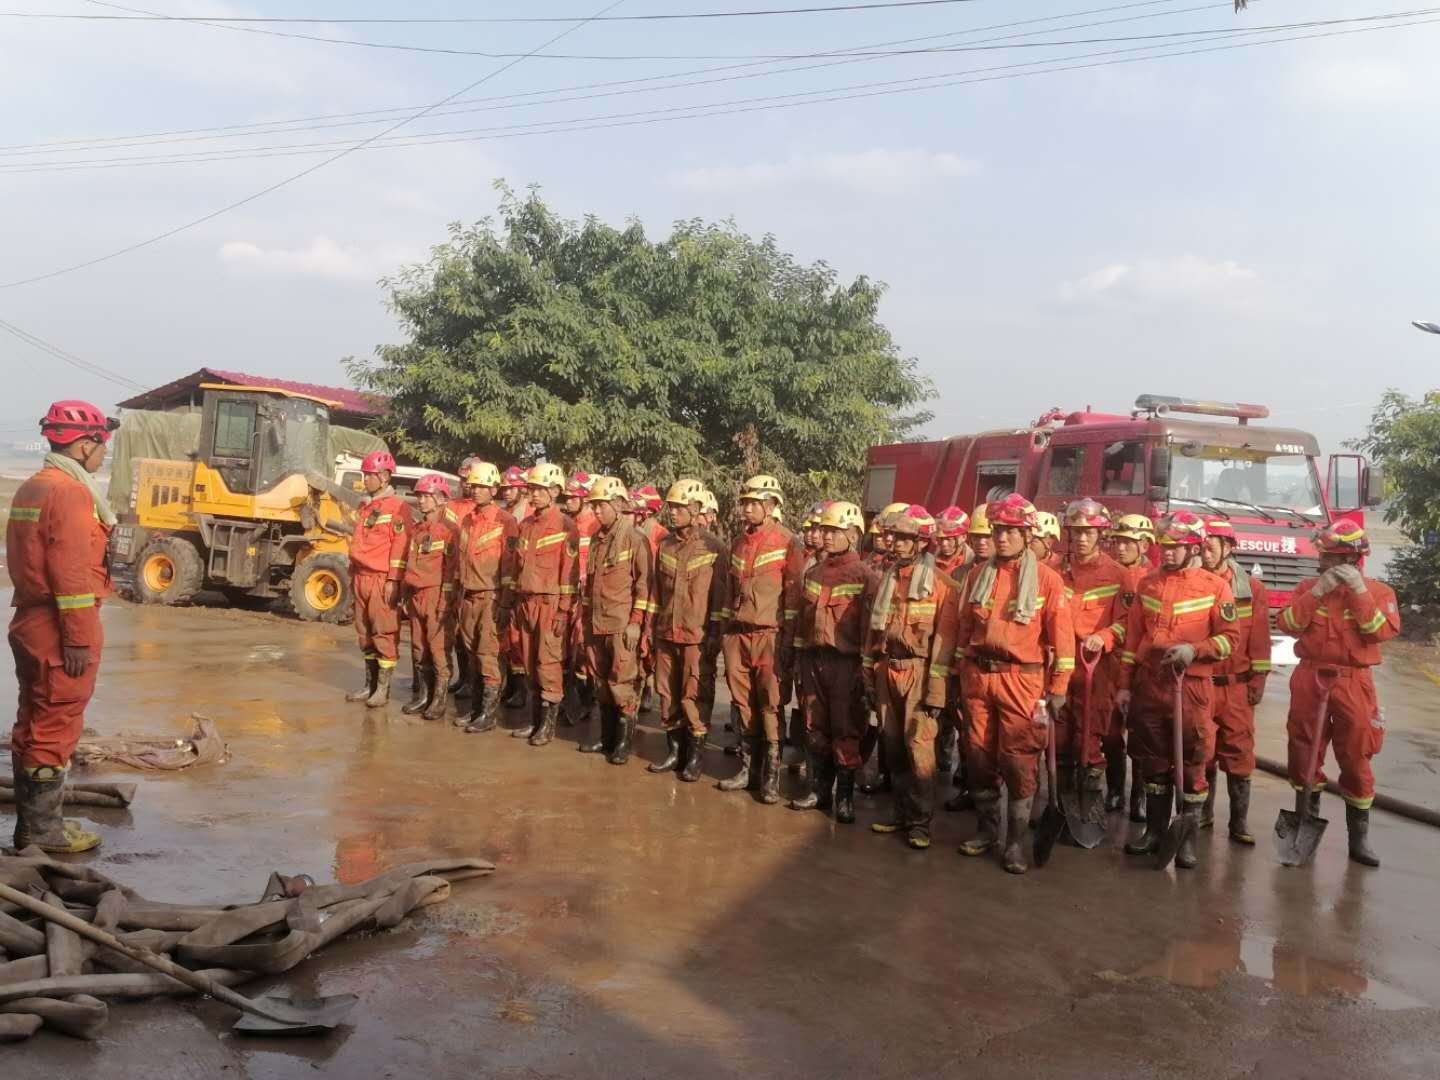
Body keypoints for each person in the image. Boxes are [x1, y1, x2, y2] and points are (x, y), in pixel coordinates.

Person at [936, 494, 1074, 874]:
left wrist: (1058, 689)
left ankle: (1014, 843)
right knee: (978, 757)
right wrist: (955, 673)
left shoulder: (1048, 580)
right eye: (998, 530)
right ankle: (986, 831)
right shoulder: (979, 575)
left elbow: (1063, 641)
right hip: (978, 677)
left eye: (1011, 531)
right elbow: (963, 628)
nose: (1002, 538)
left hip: (1023, 681)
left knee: (1018, 762)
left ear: (1028, 535)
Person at [7, 400, 119, 853]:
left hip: (30, 620)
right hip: (60, 628)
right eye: (101, 445)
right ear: (83, 443)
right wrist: (77, 638)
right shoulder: (71, 493)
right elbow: (70, 572)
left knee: (32, 721)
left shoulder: (34, 486)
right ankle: (43, 833)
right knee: (55, 725)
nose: (103, 454)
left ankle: (31, 829)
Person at [1115, 512, 1239, 871]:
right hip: (1150, 684)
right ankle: (1154, 833)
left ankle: (1186, 842)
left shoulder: (1215, 587)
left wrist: (1195, 650)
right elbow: (1133, 639)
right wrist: (1124, 686)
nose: (1168, 553)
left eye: (1177, 547)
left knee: (1193, 763)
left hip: (1192, 686)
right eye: (1165, 546)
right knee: (1152, 763)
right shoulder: (1148, 584)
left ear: (1195, 548)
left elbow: (1231, 640)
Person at [1276, 519, 1399, 867]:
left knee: (1357, 756)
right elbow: (1287, 624)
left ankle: (1358, 840)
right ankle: (1303, 827)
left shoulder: (1378, 592)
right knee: (1302, 752)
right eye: (1323, 556)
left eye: (1330, 557)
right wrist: (1317, 592)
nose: (1322, 563)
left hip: (1354, 681)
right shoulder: (1307, 587)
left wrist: (1358, 591)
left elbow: (1381, 632)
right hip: (1310, 677)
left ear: (1351, 559)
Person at [865, 505, 954, 851]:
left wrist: (936, 693)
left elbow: (944, 646)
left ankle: (919, 823)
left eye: (903, 538)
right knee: (892, 746)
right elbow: (873, 633)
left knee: (919, 749)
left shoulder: (943, 586)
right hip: (889, 667)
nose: (895, 542)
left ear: (920, 542)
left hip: (919, 671)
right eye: (893, 536)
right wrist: (869, 670)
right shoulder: (887, 577)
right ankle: (900, 813)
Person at [718, 474, 805, 804]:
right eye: (745, 503)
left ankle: (770, 777)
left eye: (754, 503)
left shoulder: (787, 542)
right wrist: (726, 629)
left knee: (770, 705)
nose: (747, 509)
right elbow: (729, 590)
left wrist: (788, 643)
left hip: (770, 634)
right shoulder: (739, 542)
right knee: (743, 704)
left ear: (771, 506)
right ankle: (747, 770)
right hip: (738, 635)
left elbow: (794, 599)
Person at [789, 501, 871, 822]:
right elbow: (801, 621)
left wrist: (865, 670)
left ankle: (845, 799)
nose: (825, 536)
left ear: (852, 534)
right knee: (815, 726)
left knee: (846, 728)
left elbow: (869, 629)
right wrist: (797, 658)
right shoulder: (814, 572)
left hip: (845, 664)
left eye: (834, 531)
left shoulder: (865, 576)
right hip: (813, 660)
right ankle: (820, 792)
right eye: (824, 530)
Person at [1199, 517, 1271, 845]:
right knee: (1202, 750)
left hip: (1236, 686)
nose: (1205, 550)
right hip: (1201, 683)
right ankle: (1203, 815)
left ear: (1228, 548)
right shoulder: (1194, 583)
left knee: (1240, 752)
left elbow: (1260, 639)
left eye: (1212, 544)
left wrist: (1259, 680)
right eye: (1202, 545)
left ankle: (1238, 823)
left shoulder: (1251, 589)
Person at [649, 479, 727, 781]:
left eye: (680, 508)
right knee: (666, 693)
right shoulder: (665, 546)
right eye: (672, 507)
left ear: (696, 510)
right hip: (667, 632)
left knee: (694, 695)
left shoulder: (715, 548)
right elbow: (657, 592)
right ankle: (674, 752)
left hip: (696, 636)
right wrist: (651, 629)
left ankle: (694, 757)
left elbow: (720, 600)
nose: (673, 513)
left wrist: (714, 636)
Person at [1057, 499, 1128, 823]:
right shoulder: (1056, 570)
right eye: (1077, 532)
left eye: (1089, 532)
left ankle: (1089, 809)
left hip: (1096, 668)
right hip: (1060, 664)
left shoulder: (1118, 574)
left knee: (1089, 737)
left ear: (1100, 534)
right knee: (1056, 737)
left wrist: (1106, 636)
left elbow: (1128, 622)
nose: (1082, 538)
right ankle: (1061, 806)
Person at [576, 477, 653, 765]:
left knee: (622, 684)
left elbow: (644, 586)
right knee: (601, 684)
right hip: (596, 623)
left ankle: (623, 743)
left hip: (621, 625)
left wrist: (635, 622)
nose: (596, 512)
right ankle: (606, 738)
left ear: (618, 505)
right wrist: (585, 621)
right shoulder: (597, 539)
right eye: (594, 507)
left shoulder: (635, 539)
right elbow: (591, 583)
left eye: (601, 506)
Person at [504, 463, 580, 747]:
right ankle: (534, 720)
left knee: (547, 663)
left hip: (549, 605)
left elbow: (569, 574)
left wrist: (563, 610)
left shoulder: (566, 527)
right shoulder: (525, 525)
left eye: (538, 490)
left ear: (555, 491)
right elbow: (515, 567)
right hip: (525, 603)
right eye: (530, 489)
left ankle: (548, 725)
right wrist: (509, 603)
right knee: (527, 661)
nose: (532, 495)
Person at [452, 461, 518, 734]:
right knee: (471, 654)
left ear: (494, 489)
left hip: (491, 598)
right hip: (468, 596)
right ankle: (476, 709)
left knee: (488, 654)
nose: (475, 490)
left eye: (482, 486)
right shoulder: (468, 519)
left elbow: (510, 566)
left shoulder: (506, 522)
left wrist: (504, 602)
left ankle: (488, 715)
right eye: (474, 485)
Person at [346, 451, 413, 709]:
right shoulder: (367, 506)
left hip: (380, 578)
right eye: (364, 474)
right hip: (361, 576)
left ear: (384, 477)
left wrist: (393, 580)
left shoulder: (398, 507)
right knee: (364, 633)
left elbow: (401, 545)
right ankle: (369, 685)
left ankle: (382, 690)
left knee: (383, 632)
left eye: (369, 475)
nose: (365, 479)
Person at [1105, 514, 1153, 819]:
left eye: (1128, 542)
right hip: (1110, 665)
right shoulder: (1109, 575)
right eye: (1117, 541)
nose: (1120, 548)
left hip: (1140, 667)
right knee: (1110, 734)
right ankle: (1114, 790)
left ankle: (1140, 797)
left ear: (1145, 544)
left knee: (1140, 736)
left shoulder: (1154, 579)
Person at [400, 475, 457, 721]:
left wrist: (445, 602)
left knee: (438, 648)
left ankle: (439, 699)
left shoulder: (450, 532)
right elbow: (408, 564)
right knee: (418, 647)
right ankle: (424, 695)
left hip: (436, 595)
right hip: (416, 594)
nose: (421, 501)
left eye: (426, 496)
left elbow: (452, 570)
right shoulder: (418, 530)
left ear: (441, 499)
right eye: (419, 496)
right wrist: (404, 594)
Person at [931, 506, 974, 813]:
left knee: (966, 716)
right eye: (941, 538)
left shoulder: (970, 567)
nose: (944, 544)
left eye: (951, 539)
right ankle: (942, 756)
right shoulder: (931, 564)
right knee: (940, 706)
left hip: (964, 646)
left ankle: (966, 770)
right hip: (938, 642)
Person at [563, 472, 600, 728]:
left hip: (587, 597)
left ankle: (587, 702)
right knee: (567, 649)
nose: (568, 500)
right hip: (569, 594)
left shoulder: (595, 525)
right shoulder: (568, 523)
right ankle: (573, 701)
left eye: (573, 496)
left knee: (582, 650)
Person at [499, 465, 532, 707]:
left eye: (512, 488)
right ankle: (511, 687)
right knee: (507, 640)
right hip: (509, 582)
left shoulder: (524, 514)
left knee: (518, 640)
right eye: (505, 488)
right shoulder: (508, 512)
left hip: (522, 586)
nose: (507, 492)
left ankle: (521, 691)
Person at [694, 487, 724, 732]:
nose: (700, 518)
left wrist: (715, 631)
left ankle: (700, 735)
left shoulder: (718, 549)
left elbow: (721, 596)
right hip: (679, 628)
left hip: (704, 629)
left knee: (702, 682)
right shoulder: (670, 545)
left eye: (704, 514)